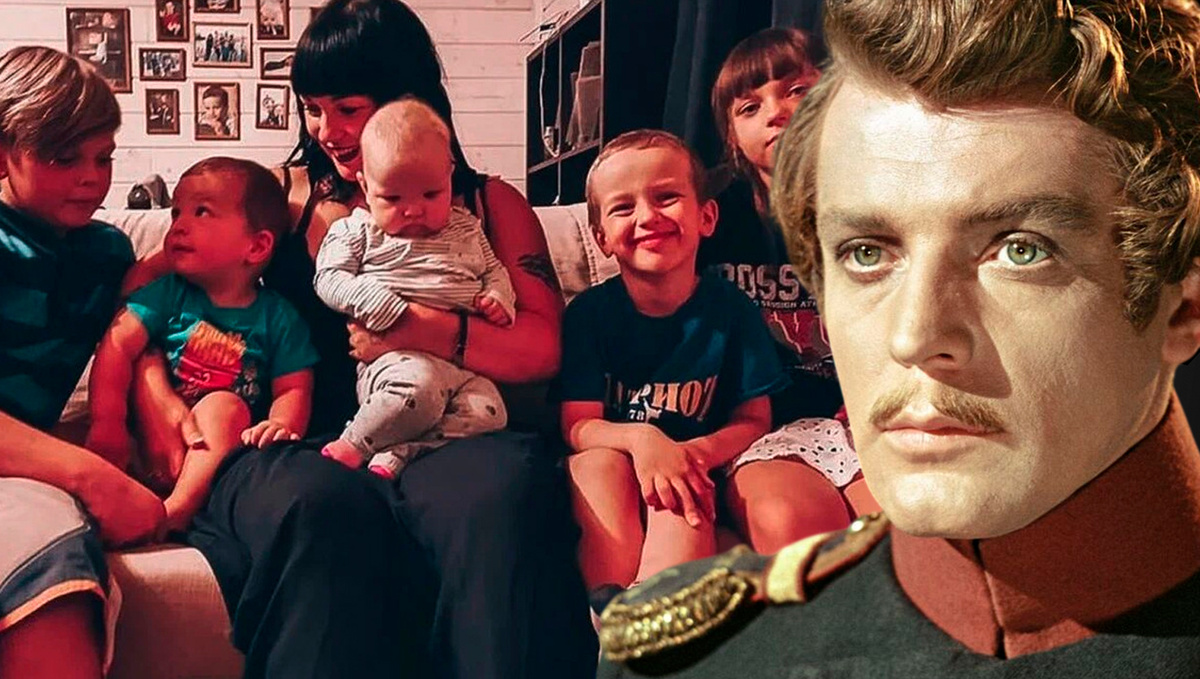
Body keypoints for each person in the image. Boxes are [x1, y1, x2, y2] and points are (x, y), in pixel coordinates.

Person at [597, 0, 1200, 674]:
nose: (912, 336)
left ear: (1185, 305)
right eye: (866, 252)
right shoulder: (701, 659)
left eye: (1021, 249)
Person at [129, 1, 598, 676]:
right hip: (297, 439)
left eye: (348, 108)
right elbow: (143, 294)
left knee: (496, 501)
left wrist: (420, 329)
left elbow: (541, 349)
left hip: (449, 430)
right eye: (312, 109)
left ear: (410, 99)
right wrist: (156, 398)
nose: (328, 131)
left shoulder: (488, 205)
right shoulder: (275, 199)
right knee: (323, 507)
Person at [558, 130, 787, 611]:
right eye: (623, 207)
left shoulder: (733, 310)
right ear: (601, 238)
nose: (647, 217)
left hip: (695, 472)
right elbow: (578, 425)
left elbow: (754, 419)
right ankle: (607, 612)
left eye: (666, 197)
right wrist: (644, 440)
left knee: (681, 498)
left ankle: (645, 627)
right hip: (615, 467)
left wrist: (690, 455)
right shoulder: (588, 316)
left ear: (706, 217)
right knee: (598, 465)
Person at [0, 46, 164, 679]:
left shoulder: (105, 253)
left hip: (26, 468)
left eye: (103, 158)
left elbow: (132, 336)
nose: (91, 179)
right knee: (47, 551)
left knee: (55, 563)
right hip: (29, 471)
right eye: (63, 158)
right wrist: (92, 476)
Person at [704, 27, 878, 552]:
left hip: (866, 417)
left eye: (796, 90)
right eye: (749, 107)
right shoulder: (711, 214)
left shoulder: (882, 198)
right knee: (795, 531)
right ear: (732, 135)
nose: (776, 113)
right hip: (762, 431)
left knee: (904, 536)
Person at [88, 157, 318, 533]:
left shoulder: (278, 316)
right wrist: (107, 422)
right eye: (176, 212)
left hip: (219, 455)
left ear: (257, 246)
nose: (178, 225)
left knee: (223, 407)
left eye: (202, 212)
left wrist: (281, 425)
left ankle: (174, 513)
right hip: (141, 440)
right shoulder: (167, 293)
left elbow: (293, 386)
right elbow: (116, 345)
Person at [316, 98, 515, 479]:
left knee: (491, 411)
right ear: (365, 185)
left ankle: (404, 450)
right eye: (392, 198)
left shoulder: (467, 227)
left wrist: (498, 297)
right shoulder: (356, 230)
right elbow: (328, 277)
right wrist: (377, 303)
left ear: (449, 175)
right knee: (417, 392)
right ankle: (355, 442)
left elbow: (494, 270)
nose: (413, 210)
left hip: (462, 368)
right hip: (395, 363)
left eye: (431, 194)